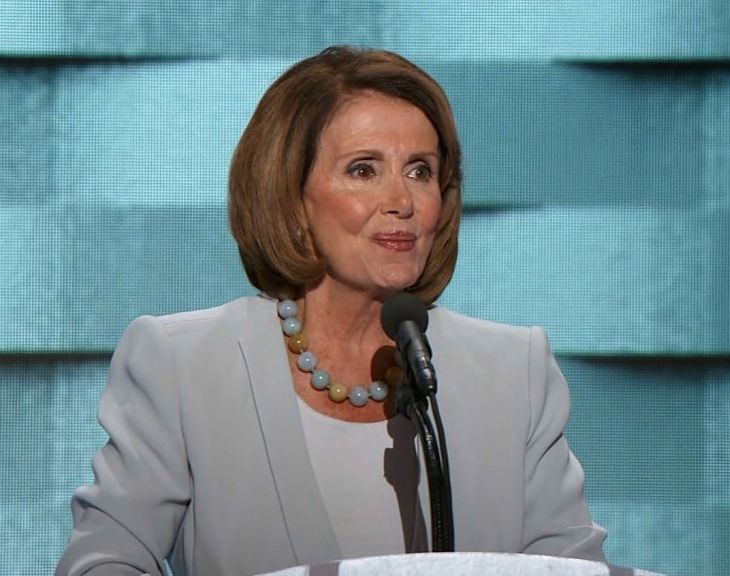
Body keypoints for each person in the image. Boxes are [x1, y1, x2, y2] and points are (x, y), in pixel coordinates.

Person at [56, 46, 606, 576]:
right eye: (364, 170)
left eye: (420, 170)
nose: (403, 201)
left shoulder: (516, 372)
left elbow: (572, 569)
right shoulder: (183, 363)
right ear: (292, 198)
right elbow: (104, 560)